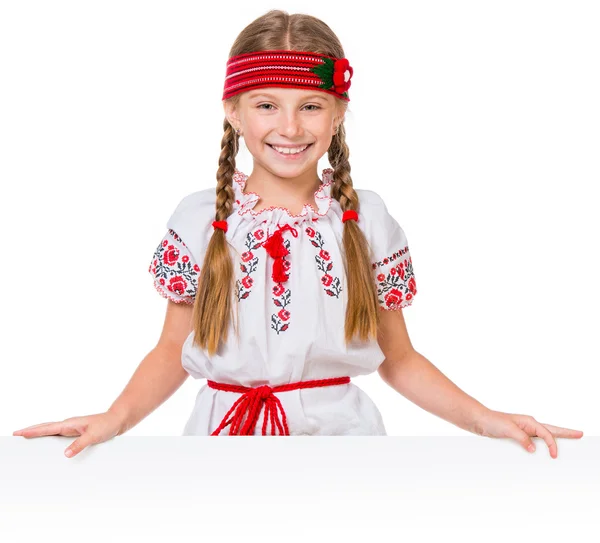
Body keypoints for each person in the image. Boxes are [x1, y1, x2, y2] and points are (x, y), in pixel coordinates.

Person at [13, 10, 583, 456]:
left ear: (337, 113)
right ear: (234, 112)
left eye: (310, 106)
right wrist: (116, 417)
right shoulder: (199, 220)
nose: (289, 128)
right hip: (221, 448)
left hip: (345, 449)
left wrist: (486, 419)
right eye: (267, 105)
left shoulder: (365, 222)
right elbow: (172, 351)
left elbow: (399, 358)